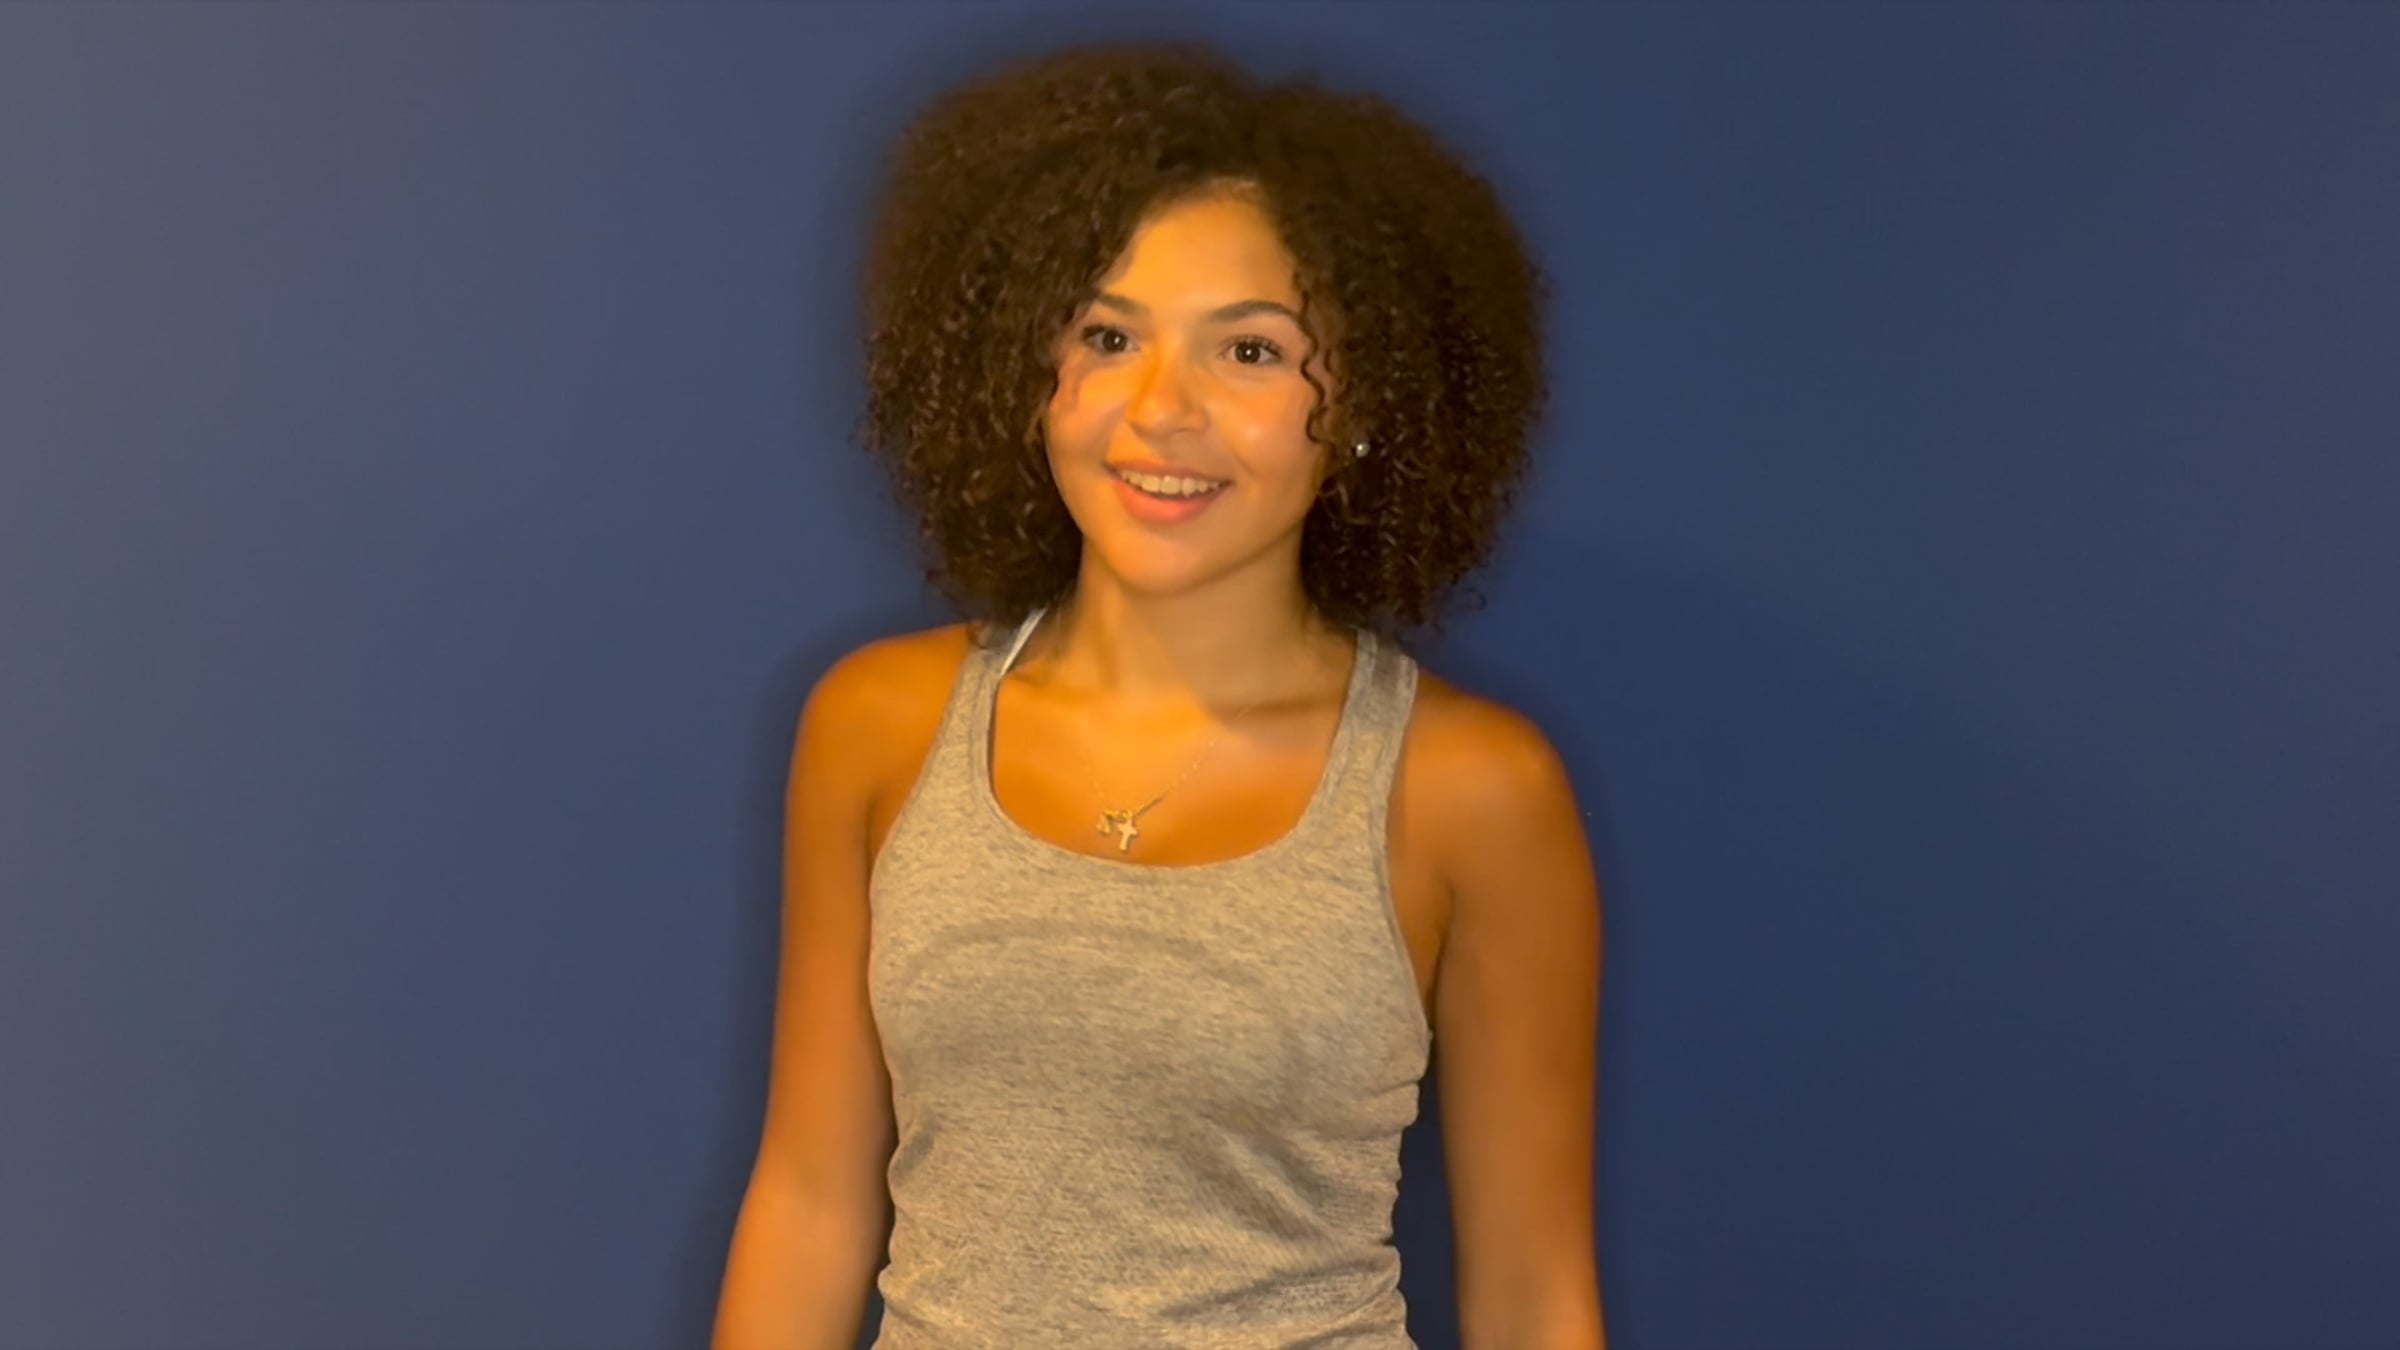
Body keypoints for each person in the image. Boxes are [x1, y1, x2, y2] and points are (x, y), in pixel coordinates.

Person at [714, 38, 1603, 1350]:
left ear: (1367, 402)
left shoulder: (1473, 789)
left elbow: (1533, 1295)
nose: (1159, 409)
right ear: (1027, 374)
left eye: (1249, 350)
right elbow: (808, 1202)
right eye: (1108, 334)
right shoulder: (879, 722)